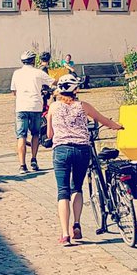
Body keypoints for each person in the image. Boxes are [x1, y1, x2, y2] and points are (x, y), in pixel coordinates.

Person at [46, 74, 121, 246]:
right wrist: (118, 126)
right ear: (76, 90)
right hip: (82, 150)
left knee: (62, 191)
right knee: (76, 187)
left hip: (61, 151)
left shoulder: (53, 107)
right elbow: (103, 121)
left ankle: (65, 234)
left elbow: (50, 135)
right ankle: (77, 224)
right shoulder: (83, 106)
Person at [11, 50, 51, 173]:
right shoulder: (39, 72)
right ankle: (33, 159)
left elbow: (13, 91)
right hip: (35, 107)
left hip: (21, 107)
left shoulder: (16, 73)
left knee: (21, 136)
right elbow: (52, 82)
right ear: (33, 61)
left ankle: (22, 165)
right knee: (35, 134)